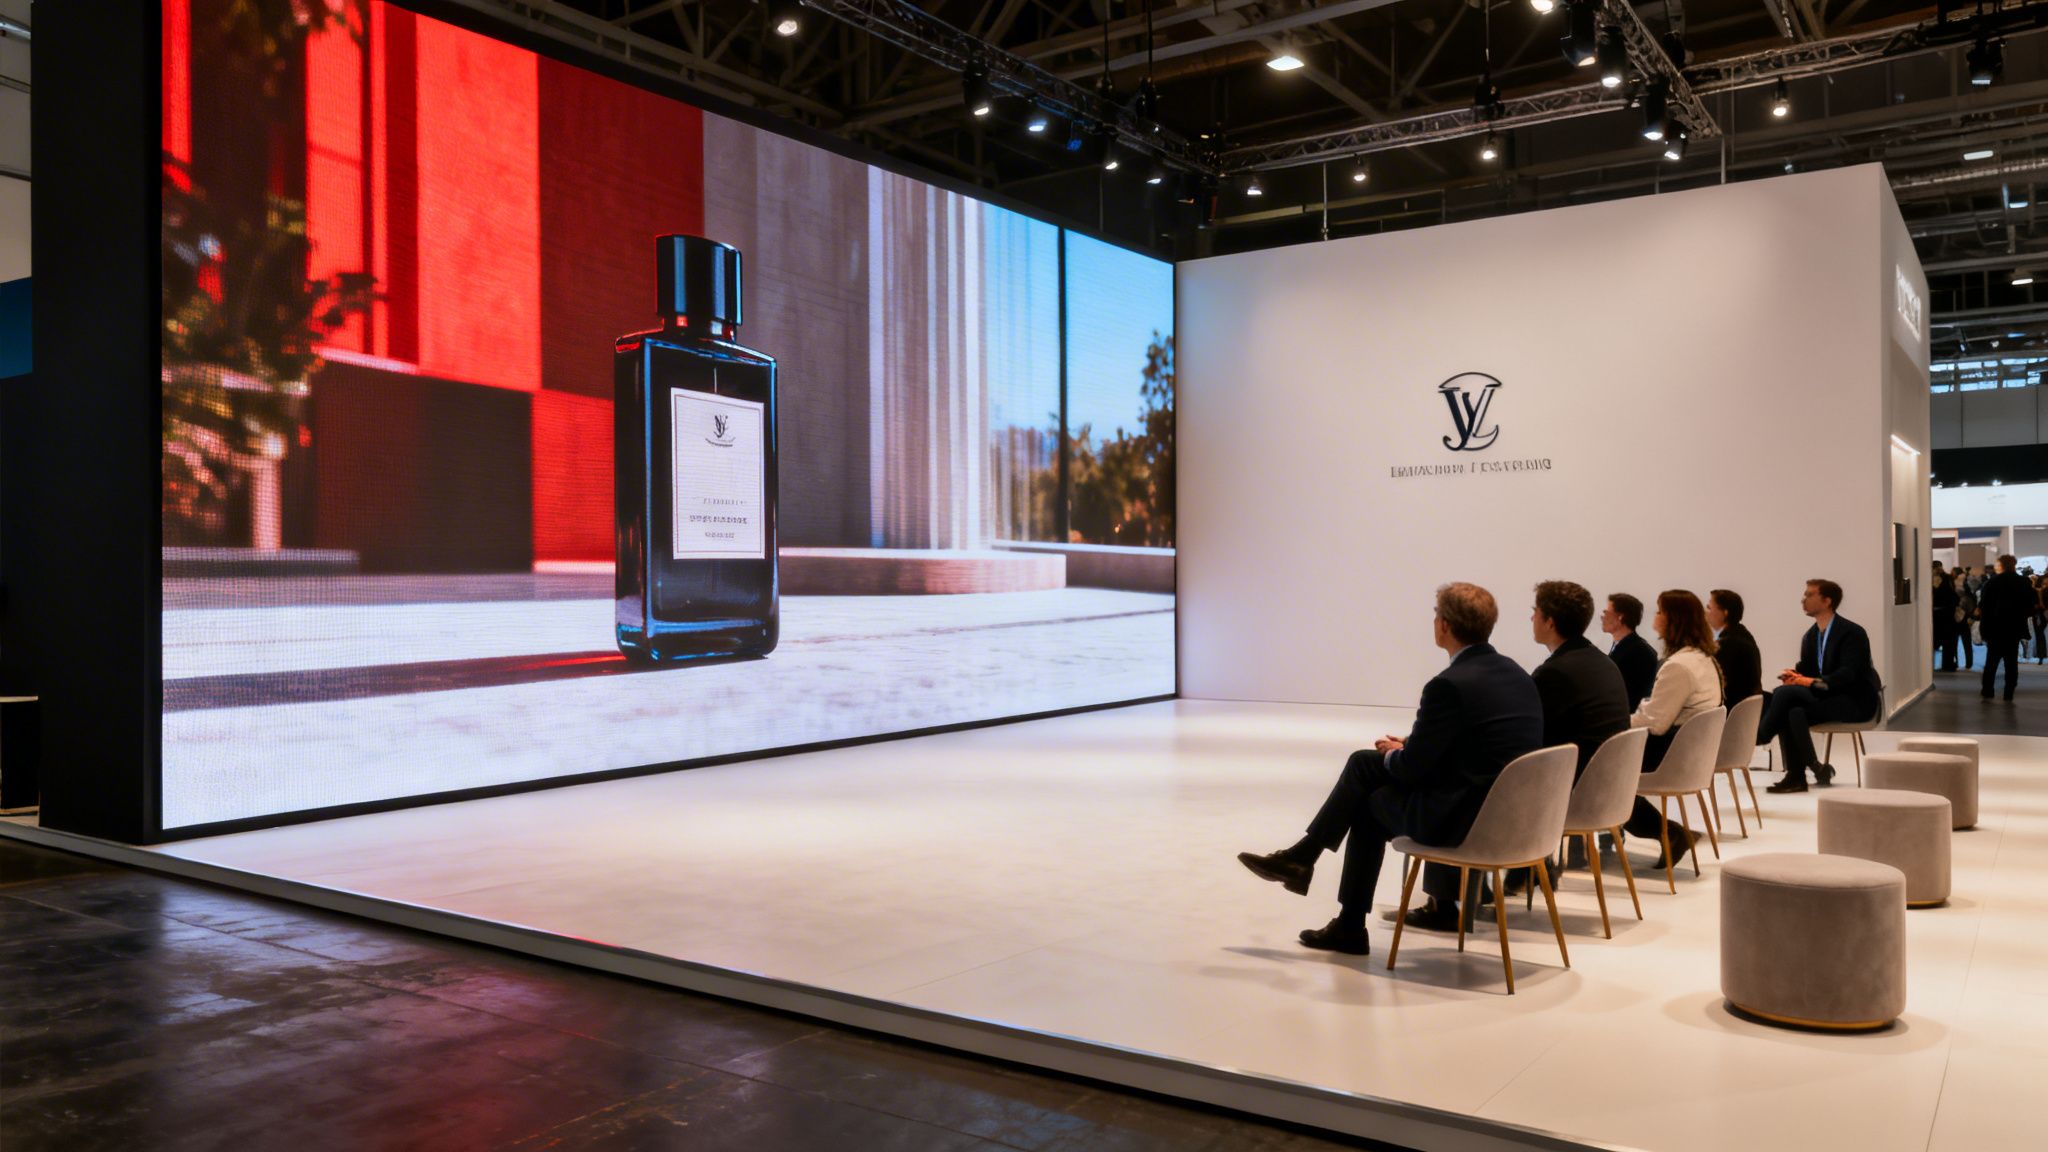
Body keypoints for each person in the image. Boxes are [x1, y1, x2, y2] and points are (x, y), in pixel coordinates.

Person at [1236, 583, 1543, 955]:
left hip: (1465, 821)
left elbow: (1411, 771)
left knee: (1367, 794)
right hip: (1513, 818)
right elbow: (1474, 747)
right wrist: (1408, 749)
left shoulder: (1447, 686)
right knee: (1367, 770)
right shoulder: (1516, 675)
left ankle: (1324, 888)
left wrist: (1395, 756)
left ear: (1443, 625)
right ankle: (1305, 863)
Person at [1622, 590, 1723, 866]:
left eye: (1659, 611)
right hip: (1689, 756)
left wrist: (1616, 722)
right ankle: (1671, 833)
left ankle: (1671, 833)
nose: (1654, 617)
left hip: (1669, 756)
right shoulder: (1703, 659)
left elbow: (1656, 723)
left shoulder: (1678, 666)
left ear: (1673, 620)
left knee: (1599, 773)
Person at [1760, 579, 1883, 793]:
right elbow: (1807, 670)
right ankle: (1803, 774)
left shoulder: (1852, 633)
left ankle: (1763, 737)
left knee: (1786, 700)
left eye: (1809, 595)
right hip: (1826, 697)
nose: (1803, 599)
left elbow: (1848, 674)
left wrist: (1808, 682)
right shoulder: (1811, 636)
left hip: (1854, 700)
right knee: (1792, 707)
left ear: (1827, 601)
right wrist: (1795, 675)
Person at [1977, 554, 2033, 701]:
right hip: (2013, 628)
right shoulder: (2022, 582)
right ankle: (2009, 691)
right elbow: (2029, 606)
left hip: (1995, 628)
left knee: (1992, 661)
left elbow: (1984, 607)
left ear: (2001, 565)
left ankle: (1988, 689)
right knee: (2011, 662)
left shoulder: (1992, 583)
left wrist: (1984, 629)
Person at [1602, 593, 1659, 711]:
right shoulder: (1627, 647)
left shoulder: (1640, 652)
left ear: (1620, 617)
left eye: (1606, 612)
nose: (1602, 617)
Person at [1708, 588, 1762, 705]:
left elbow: (1717, 685)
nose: (1706, 613)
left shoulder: (1728, 643)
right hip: (1744, 710)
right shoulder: (1743, 636)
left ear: (1725, 613)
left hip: (1730, 709)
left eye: (1710, 608)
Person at [1931, 561, 1959, 672]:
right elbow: (1953, 595)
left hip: (1936, 614)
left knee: (1934, 642)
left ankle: (1930, 666)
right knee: (1949, 642)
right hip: (1947, 614)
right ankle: (1947, 664)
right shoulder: (1948, 578)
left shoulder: (1931, 578)